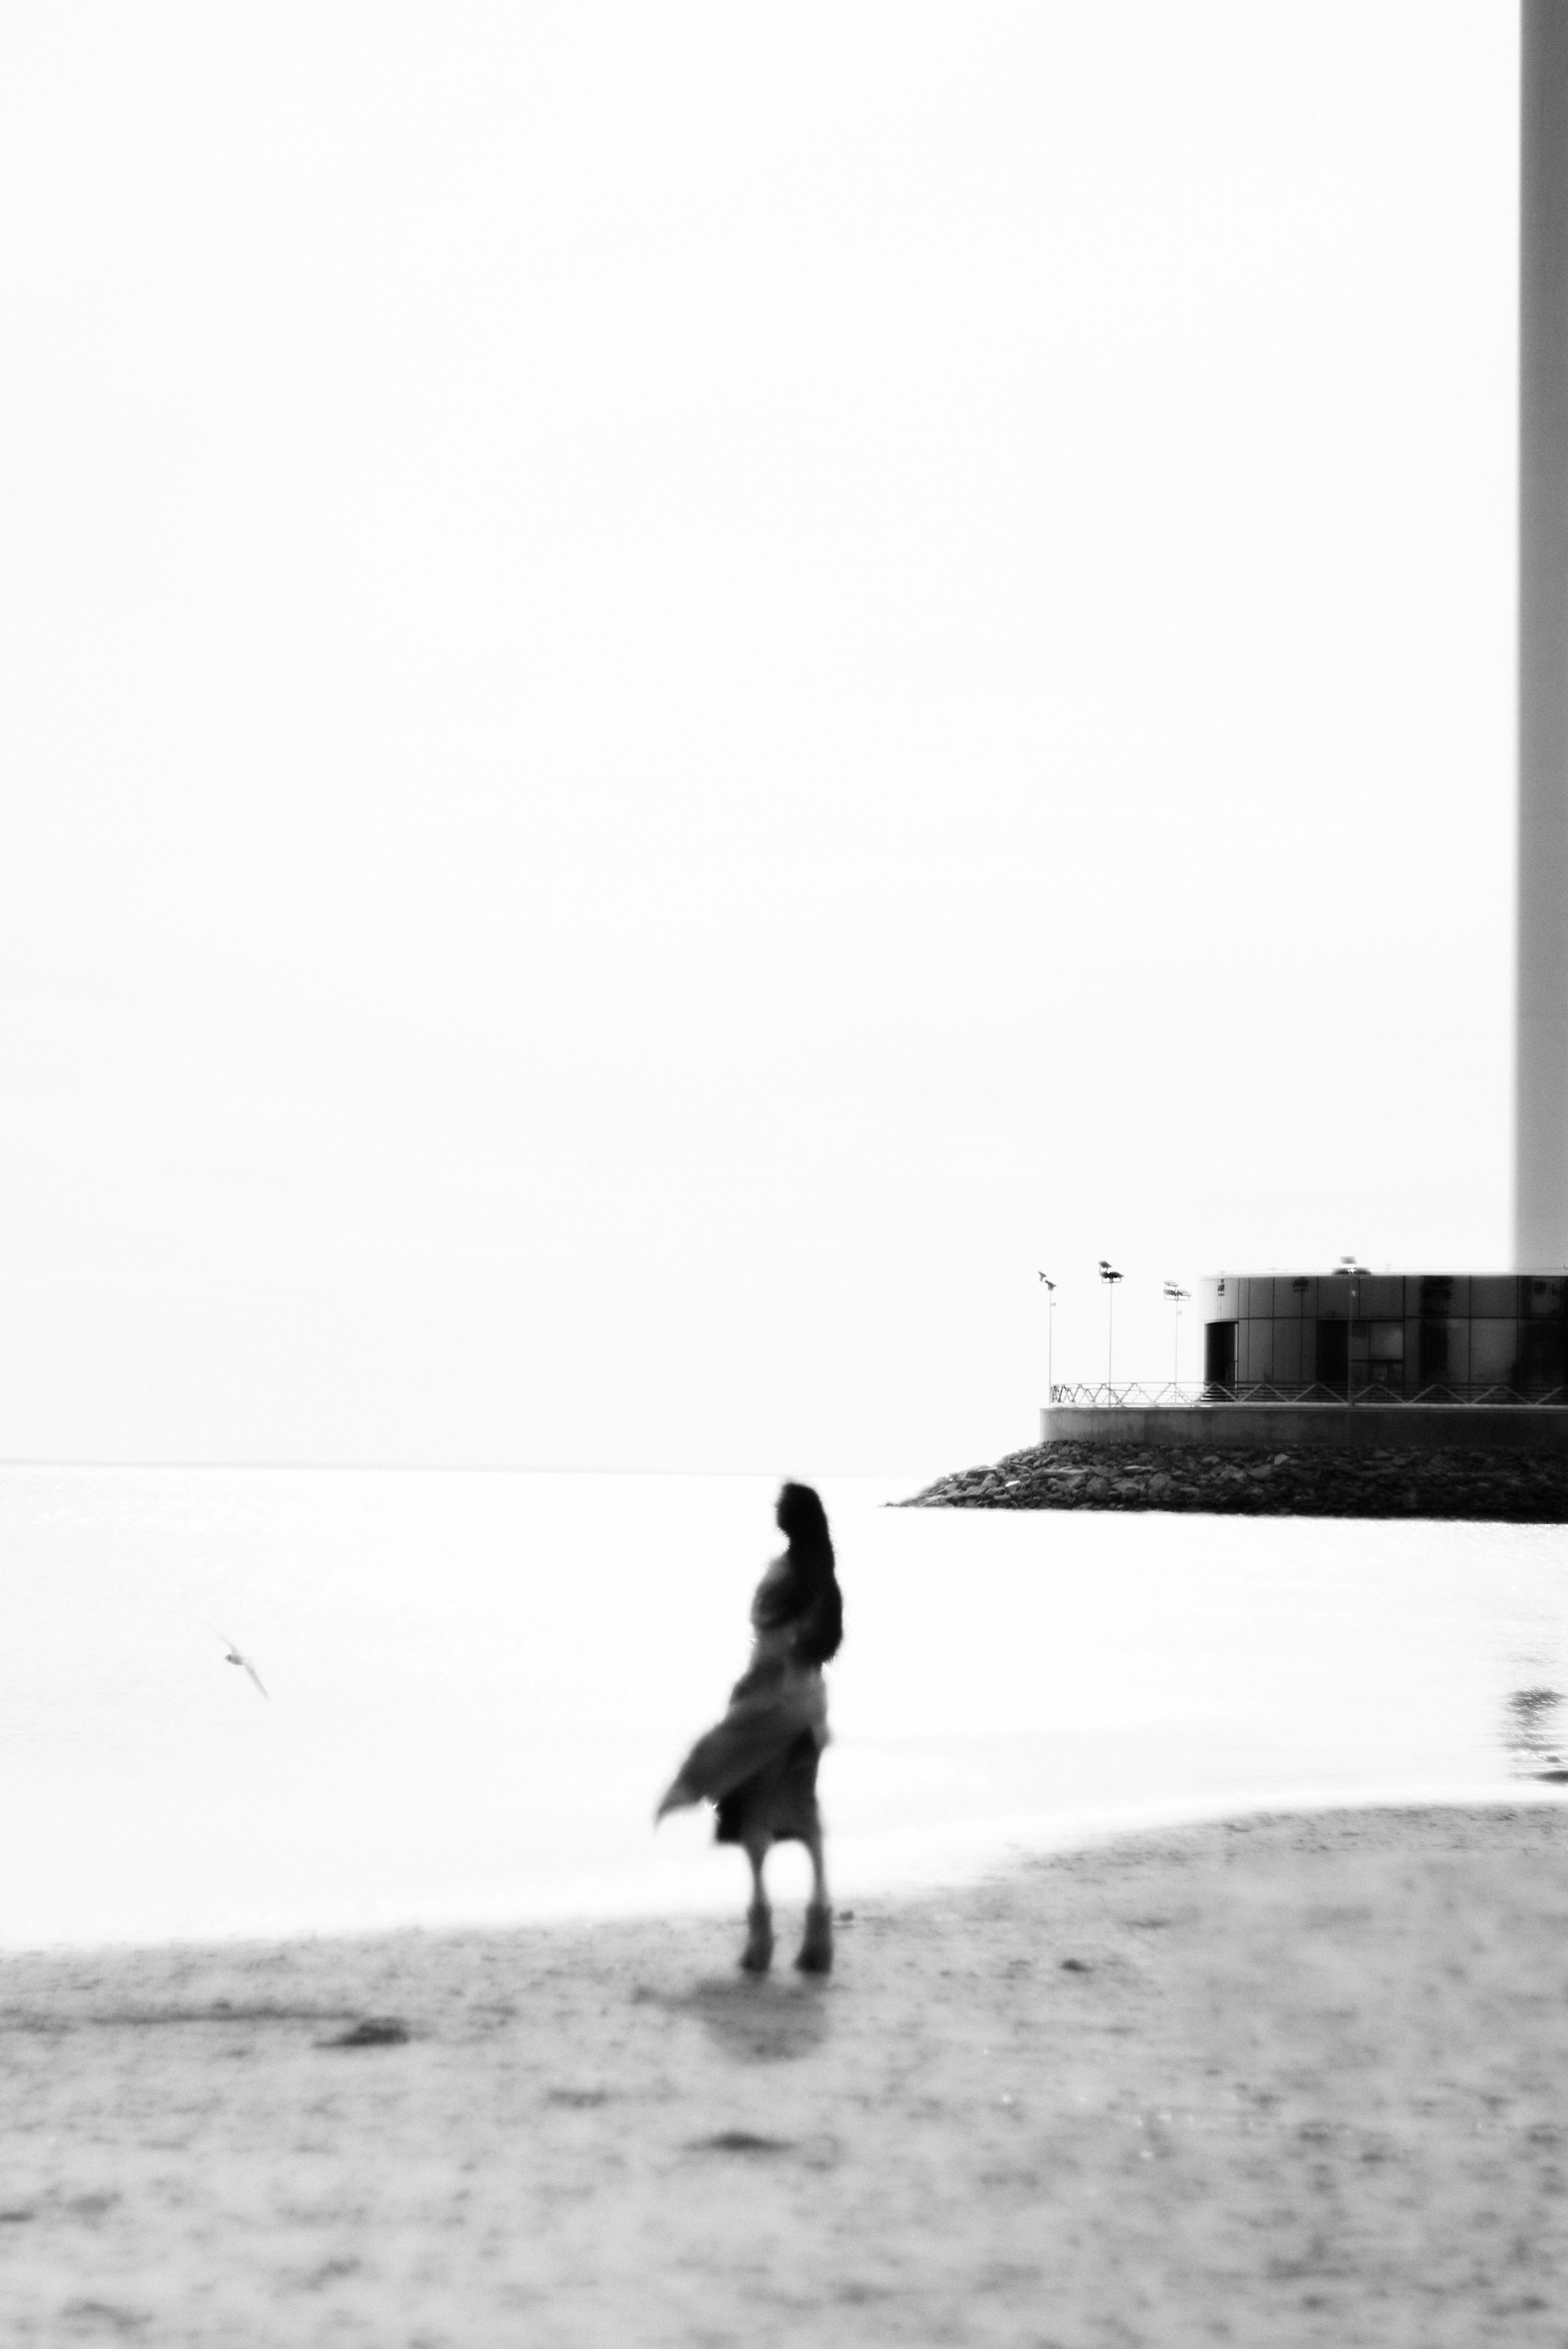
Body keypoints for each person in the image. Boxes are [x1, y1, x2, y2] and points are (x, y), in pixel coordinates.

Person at [656, 1482, 843, 1973]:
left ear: (790, 1519)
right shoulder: (825, 1582)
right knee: (804, 1809)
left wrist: (748, 1695)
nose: (775, 1509)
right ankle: (819, 1926)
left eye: (780, 1506)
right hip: (810, 1706)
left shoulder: (782, 1576)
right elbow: (820, 1650)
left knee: (755, 1811)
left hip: (771, 1703)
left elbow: (768, 1644)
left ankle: (761, 1934)